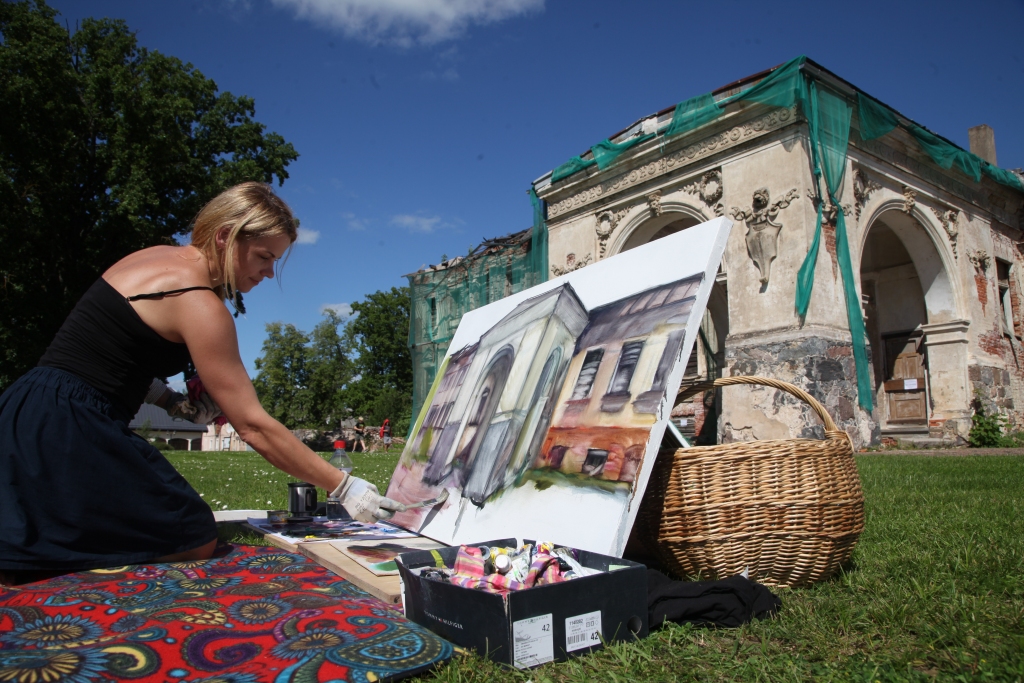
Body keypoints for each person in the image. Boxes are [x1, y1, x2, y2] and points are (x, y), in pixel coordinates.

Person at [0, 182, 399, 585]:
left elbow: (107, 353)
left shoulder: (156, 258)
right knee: (190, 533)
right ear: (225, 236)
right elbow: (253, 425)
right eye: (263, 257)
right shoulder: (198, 301)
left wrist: (169, 400)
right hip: (70, 426)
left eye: (274, 261)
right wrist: (343, 485)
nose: (268, 272)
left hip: (29, 405)